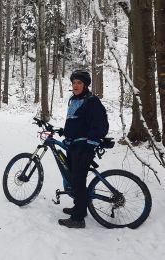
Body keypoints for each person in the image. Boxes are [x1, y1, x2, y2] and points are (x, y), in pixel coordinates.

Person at [58, 69, 109, 228]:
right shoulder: (74, 100)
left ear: (85, 85)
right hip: (73, 145)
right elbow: (75, 122)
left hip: (84, 146)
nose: (76, 85)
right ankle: (79, 208)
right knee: (75, 179)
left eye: (79, 83)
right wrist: (64, 132)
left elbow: (100, 125)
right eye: (74, 83)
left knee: (78, 180)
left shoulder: (91, 101)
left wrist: (91, 143)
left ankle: (78, 219)